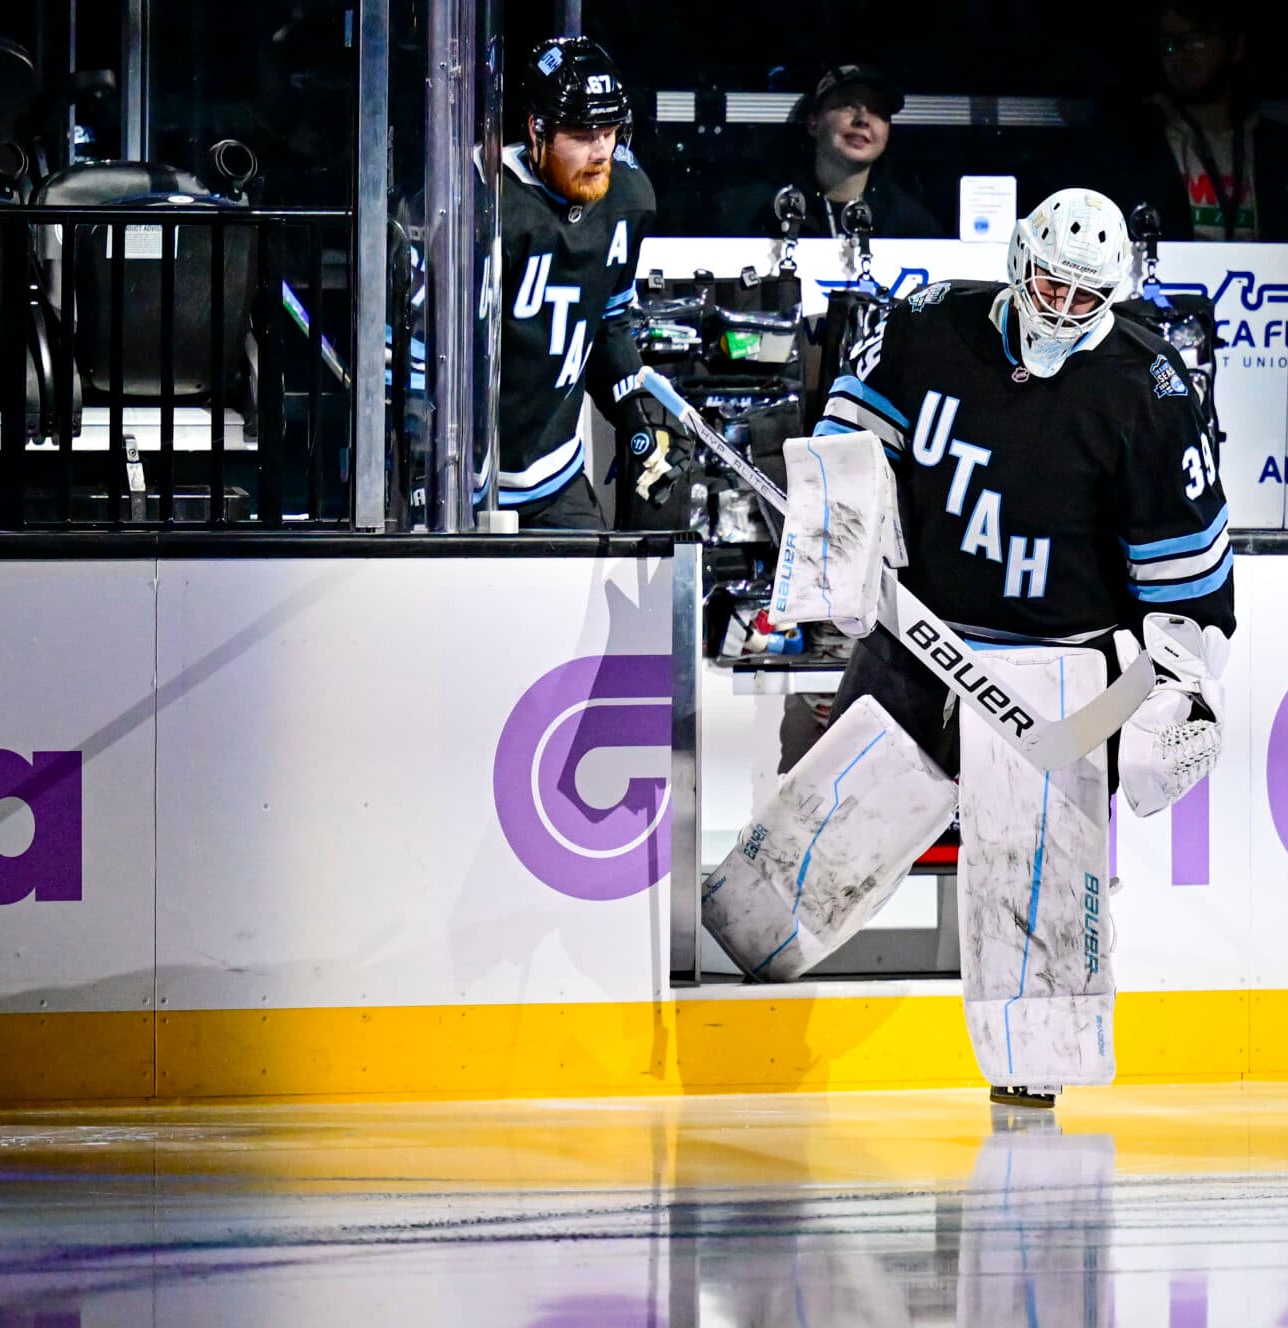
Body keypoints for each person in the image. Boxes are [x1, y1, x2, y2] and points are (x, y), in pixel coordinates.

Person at [700, 189, 1234, 1108]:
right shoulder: (927, 323)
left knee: (1040, 896)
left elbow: (1189, 582)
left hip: (1057, 675)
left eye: (1086, 297)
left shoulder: (1153, 391)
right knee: (798, 860)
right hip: (919, 642)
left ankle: (1035, 1080)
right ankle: (723, 1013)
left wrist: (1178, 695)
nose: (1063, 310)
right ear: (1020, 260)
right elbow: (848, 442)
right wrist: (840, 540)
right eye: (1051, 286)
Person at [495, 36, 678, 527]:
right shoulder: (483, 205)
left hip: (555, 477)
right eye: (581, 134)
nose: (600, 151)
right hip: (463, 487)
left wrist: (635, 414)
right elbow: (421, 363)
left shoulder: (628, 198)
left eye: (609, 131)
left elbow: (609, 323)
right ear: (536, 131)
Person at [1087, 2, 1288, 243]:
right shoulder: (1135, 142)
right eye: (1169, 45)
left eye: (1194, 41)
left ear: (1236, 47)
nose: (1180, 55)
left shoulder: (1277, 147)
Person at [714, 64, 943, 239]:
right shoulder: (756, 211)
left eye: (877, 110)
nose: (863, 119)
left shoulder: (910, 222)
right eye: (848, 105)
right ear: (813, 123)